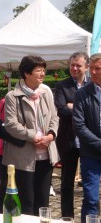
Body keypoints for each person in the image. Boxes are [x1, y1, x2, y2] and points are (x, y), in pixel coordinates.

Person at [2, 55, 59, 216]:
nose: (42, 74)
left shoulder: (45, 93)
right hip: (23, 159)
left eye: (43, 70)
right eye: (38, 70)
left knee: (43, 202)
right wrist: (34, 137)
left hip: (46, 157)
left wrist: (50, 136)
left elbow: (55, 117)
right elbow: (12, 125)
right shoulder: (12, 96)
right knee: (26, 203)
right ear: (26, 73)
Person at [54, 51, 90, 218]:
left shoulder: (93, 85)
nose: (75, 68)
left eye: (78, 65)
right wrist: (83, 109)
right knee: (67, 184)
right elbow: (61, 110)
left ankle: (88, 217)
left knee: (90, 183)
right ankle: (67, 218)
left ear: (87, 67)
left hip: (89, 141)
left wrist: (73, 106)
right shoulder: (62, 86)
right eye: (72, 65)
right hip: (68, 141)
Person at [73, 53, 101, 223]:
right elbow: (79, 126)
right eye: (92, 68)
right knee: (91, 199)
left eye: (98, 69)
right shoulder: (82, 94)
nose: (94, 72)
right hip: (91, 154)